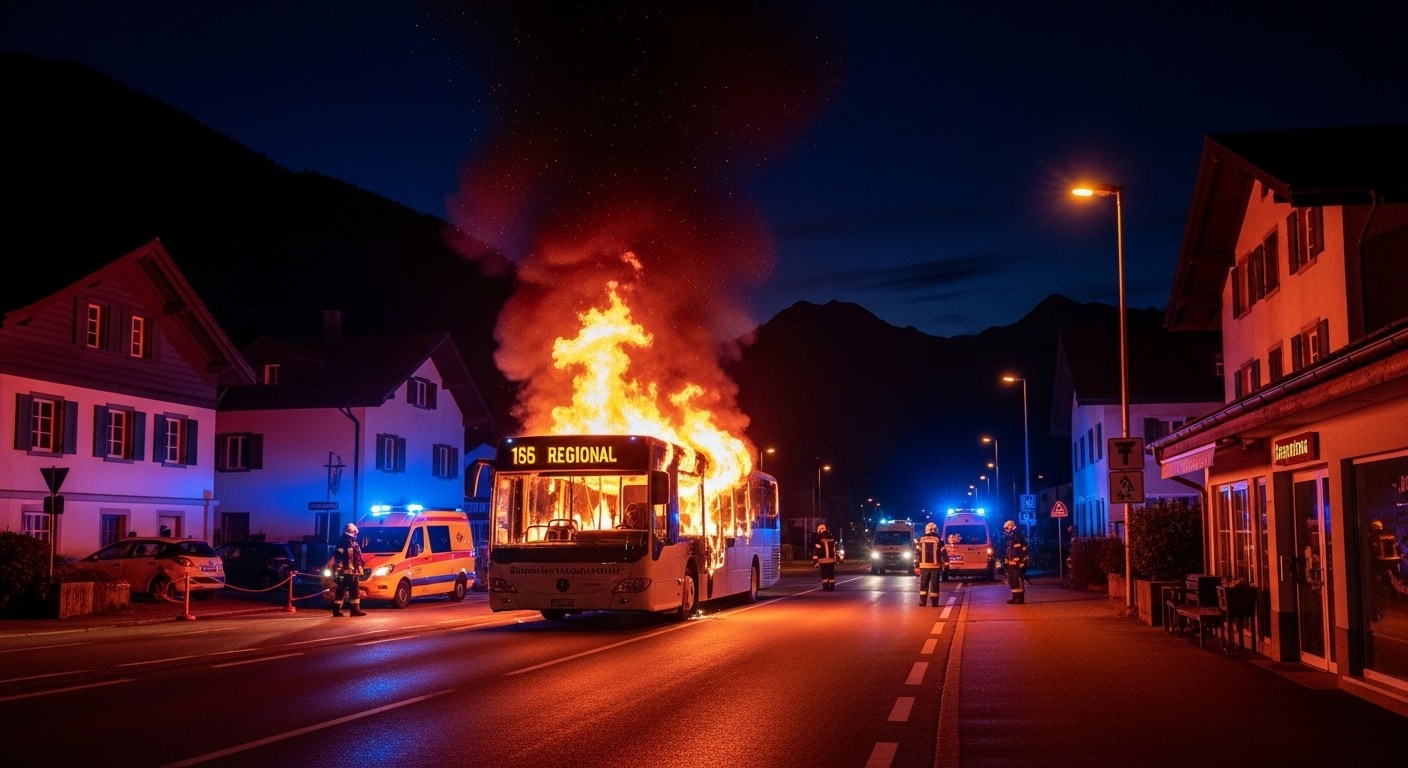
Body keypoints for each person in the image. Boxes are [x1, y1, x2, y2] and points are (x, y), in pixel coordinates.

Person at [332, 522, 367, 617]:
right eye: (355, 533)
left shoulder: (353, 542)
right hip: (345, 572)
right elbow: (338, 557)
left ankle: (355, 610)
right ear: (352, 532)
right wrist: (339, 570)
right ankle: (336, 610)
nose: (356, 535)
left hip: (353, 572)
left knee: (355, 591)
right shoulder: (343, 542)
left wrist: (361, 566)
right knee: (341, 590)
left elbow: (357, 557)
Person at [916, 521, 945, 606]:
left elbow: (917, 553)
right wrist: (946, 563)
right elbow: (943, 552)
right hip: (935, 566)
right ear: (935, 530)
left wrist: (916, 565)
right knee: (934, 584)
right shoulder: (939, 539)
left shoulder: (921, 539)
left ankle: (923, 602)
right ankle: (934, 602)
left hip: (923, 565)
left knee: (923, 584)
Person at [1002, 520, 1029, 604]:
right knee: (1013, 580)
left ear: (1011, 526)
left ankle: (1019, 599)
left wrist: (1022, 561)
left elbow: (1022, 549)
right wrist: (1006, 561)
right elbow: (1009, 550)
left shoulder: (1017, 534)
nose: (1006, 531)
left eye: (1007, 528)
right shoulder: (1012, 537)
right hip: (1012, 563)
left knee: (1018, 580)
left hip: (1018, 563)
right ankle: (1015, 598)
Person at [812, 523, 839, 591]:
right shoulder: (831, 536)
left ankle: (825, 587)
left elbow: (816, 550)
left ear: (819, 530)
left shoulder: (819, 538)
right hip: (831, 559)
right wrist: (837, 559)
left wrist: (815, 562)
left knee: (824, 574)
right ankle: (832, 587)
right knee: (831, 573)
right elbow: (835, 548)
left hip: (822, 559)